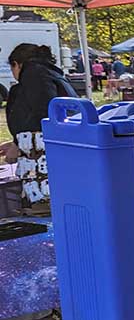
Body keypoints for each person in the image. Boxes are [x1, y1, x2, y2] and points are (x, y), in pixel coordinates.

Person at [2, 43, 76, 210]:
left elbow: (43, 113)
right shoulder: (50, 73)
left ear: (16, 64)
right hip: (60, 148)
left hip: (43, 161)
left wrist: (19, 144)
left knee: (43, 208)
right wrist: (18, 142)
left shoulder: (33, 74)